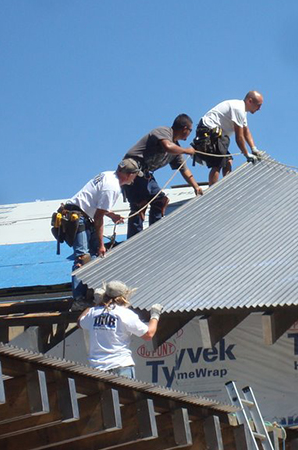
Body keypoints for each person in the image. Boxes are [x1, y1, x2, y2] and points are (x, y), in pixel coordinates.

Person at [63, 158, 141, 310]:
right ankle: (79, 300)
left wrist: (112, 215)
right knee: (83, 257)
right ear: (128, 174)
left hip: (81, 215)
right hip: (79, 218)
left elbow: (97, 205)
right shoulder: (112, 188)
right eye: (135, 175)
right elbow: (98, 217)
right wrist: (100, 245)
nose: (135, 178)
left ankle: (89, 294)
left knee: (92, 256)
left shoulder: (107, 175)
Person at [122, 114, 204, 238]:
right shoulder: (163, 132)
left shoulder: (176, 148)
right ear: (185, 129)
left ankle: (155, 234)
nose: (189, 133)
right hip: (132, 170)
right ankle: (134, 239)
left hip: (145, 174)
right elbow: (167, 146)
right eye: (190, 130)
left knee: (161, 201)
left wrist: (196, 187)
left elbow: (183, 169)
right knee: (140, 204)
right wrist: (187, 150)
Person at [78, 280, 163, 379]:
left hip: (98, 369)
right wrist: (155, 315)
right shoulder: (125, 314)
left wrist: (96, 304)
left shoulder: (93, 312)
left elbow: (80, 322)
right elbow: (148, 334)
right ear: (123, 297)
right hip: (121, 365)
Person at [192, 90, 265, 186]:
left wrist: (254, 148)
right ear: (250, 101)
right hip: (208, 132)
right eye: (258, 105)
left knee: (228, 160)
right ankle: (212, 190)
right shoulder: (238, 109)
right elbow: (239, 137)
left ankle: (227, 186)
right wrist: (246, 154)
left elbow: (246, 131)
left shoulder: (242, 110)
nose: (259, 109)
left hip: (214, 134)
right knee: (218, 163)